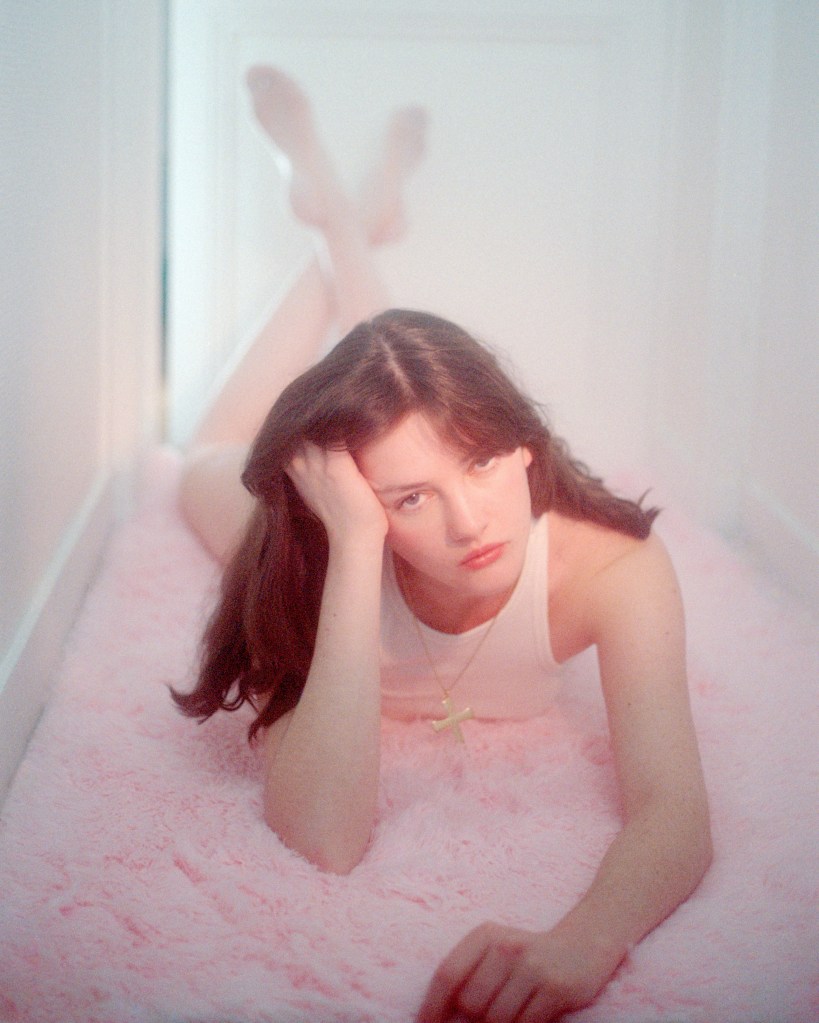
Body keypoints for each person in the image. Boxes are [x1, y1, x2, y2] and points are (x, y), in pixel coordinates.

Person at [173, 67, 712, 1023]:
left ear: (524, 442)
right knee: (199, 459)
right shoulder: (315, 548)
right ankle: (340, 211)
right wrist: (354, 544)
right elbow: (323, 839)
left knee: (402, 383)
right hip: (307, 520)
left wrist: (582, 941)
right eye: (412, 498)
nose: (471, 524)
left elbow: (675, 810)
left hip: (411, 436)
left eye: (483, 462)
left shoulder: (610, 565)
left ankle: (340, 214)